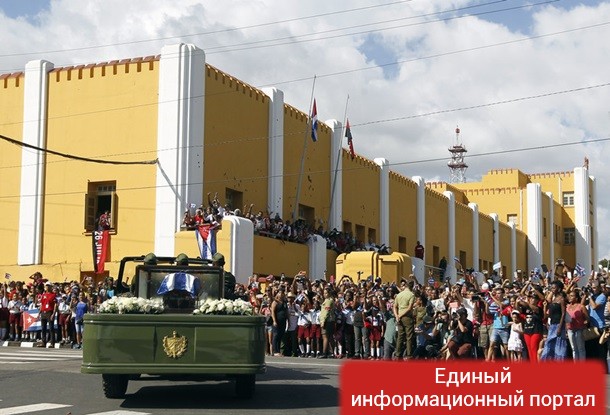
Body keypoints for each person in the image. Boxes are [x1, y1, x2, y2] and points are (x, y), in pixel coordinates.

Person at [393, 278, 415, 360]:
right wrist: (400, 315)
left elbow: (394, 306)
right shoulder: (411, 295)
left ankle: (398, 355)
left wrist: (397, 316)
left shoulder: (399, 295)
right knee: (409, 337)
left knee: (400, 336)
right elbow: (409, 308)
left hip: (399, 317)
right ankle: (409, 355)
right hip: (407, 317)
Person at [39, 282, 58, 347]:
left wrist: (53, 314)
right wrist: (39, 312)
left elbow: (55, 305)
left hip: (49, 312)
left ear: (50, 287)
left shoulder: (53, 295)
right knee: (43, 328)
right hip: (43, 312)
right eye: (46, 285)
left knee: (51, 328)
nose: (47, 287)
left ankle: (52, 343)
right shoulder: (43, 295)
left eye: (48, 286)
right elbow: (42, 304)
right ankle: (43, 342)